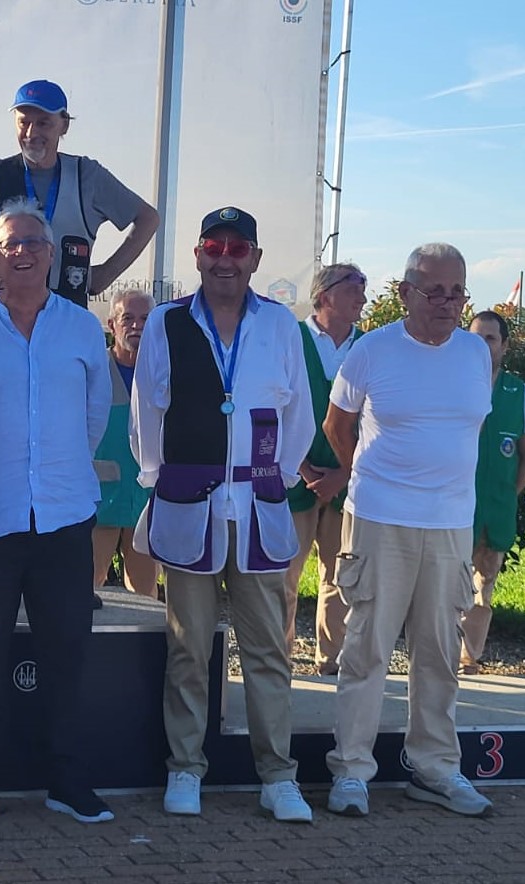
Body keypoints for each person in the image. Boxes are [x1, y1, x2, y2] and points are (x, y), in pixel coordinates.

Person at [131, 207, 315, 822]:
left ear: (255, 259)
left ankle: (277, 775)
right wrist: (160, 480)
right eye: (214, 247)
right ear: (198, 254)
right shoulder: (166, 322)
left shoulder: (281, 324)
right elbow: (147, 413)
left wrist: (277, 478)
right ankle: (185, 767)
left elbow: (298, 413)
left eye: (238, 248)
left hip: (256, 507)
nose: (225, 259)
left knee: (268, 649)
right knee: (189, 647)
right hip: (191, 504)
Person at [0, 198, 112, 826]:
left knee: (67, 655)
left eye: (33, 242)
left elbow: (94, 415)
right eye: (9, 243)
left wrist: (60, 468)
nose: (22, 253)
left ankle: (67, 781)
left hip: (65, 516)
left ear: (51, 253)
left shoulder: (83, 329)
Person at [322, 243, 494, 819]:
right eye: (433, 291)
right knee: (366, 651)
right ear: (404, 293)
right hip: (379, 519)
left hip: (450, 525)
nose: (447, 303)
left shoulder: (475, 353)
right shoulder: (371, 350)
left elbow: (467, 430)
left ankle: (435, 768)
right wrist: (368, 477)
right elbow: (337, 425)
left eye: (456, 292)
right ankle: (351, 771)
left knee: (440, 654)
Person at [0, 80, 159, 307]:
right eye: (24, 122)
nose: (31, 132)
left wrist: (106, 274)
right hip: (4, 311)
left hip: (66, 309)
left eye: (43, 123)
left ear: (64, 126)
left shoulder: (86, 175)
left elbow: (148, 218)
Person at [284, 263, 367, 675]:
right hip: (293, 479)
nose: (362, 298)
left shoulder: (367, 347)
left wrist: (342, 474)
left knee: (340, 578)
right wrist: (299, 466)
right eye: (353, 288)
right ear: (325, 294)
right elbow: (273, 405)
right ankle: (277, 659)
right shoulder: (291, 339)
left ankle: (331, 661)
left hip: (346, 484)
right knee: (284, 576)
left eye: (364, 289)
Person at [459, 310, 525, 675]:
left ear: (504, 346)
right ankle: (439, 652)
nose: (482, 346)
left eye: (490, 339)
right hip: (453, 507)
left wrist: (508, 494)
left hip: (496, 509)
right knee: (445, 584)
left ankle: (468, 657)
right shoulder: (453, 384)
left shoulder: (520, 394)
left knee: (483, 587)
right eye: (475, 339)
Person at [91, 289, 158, 599]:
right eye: (127, 318)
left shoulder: (162, 371)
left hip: (146, 500)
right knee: (86, 588)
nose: (137, 326)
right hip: (100, 499)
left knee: (146, 594)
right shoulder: (94, 371)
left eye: (145, 319)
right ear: (111, 325)